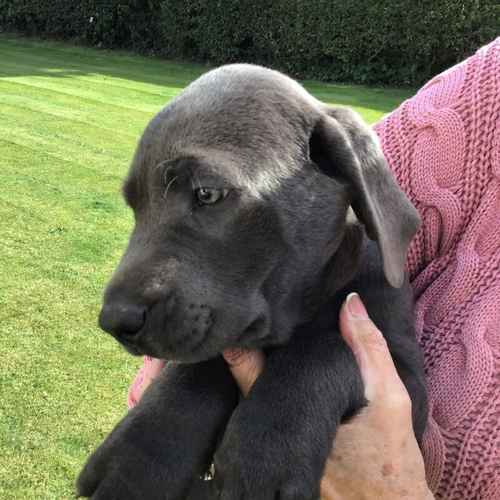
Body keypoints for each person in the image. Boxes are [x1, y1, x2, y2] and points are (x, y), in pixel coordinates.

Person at [128, 38, 500, 499]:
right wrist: (182, 389)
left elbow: (397, 371)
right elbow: (329, 191)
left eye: (204, 195)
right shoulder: (489, 91)